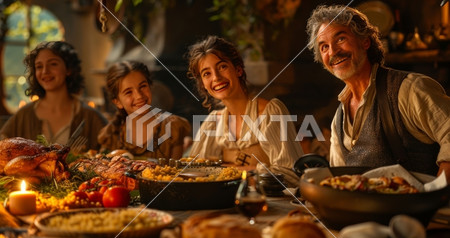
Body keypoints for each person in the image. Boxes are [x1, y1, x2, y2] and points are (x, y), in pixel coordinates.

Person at [306, 5, 450, 181]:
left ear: (365, 41)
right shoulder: (339, 118)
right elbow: (340, 179)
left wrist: (437, 192)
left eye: (341, 38)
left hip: (416, 208)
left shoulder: (409, 89)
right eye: (324, 47)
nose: (333, 52)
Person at [186, 36, 303, 186]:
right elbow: (193, 174)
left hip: (268, 204)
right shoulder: (213, 123)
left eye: (222, 67)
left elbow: (291, 175)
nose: (216, 77)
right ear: (203, 84)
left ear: (238, 69)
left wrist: (230, 172)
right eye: (206, 73)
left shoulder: (269, 112)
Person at [0, 41, 107, 151]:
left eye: (53, 64)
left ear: (69, 69)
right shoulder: (23, 116)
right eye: (39, 66)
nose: (45, 71)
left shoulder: (91, 117)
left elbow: (114, 153)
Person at [98, 61, 191, 160]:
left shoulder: (173, 127)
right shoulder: (111, 134)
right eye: (129, 92)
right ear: (117, 102)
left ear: (150, 86)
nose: (139, 96)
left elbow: (174, 173)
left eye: (142, 86)